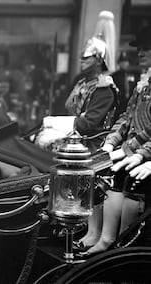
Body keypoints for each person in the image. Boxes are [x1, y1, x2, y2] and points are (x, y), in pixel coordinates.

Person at [78, 24, 151, 256]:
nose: (140, 53)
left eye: (146, 49)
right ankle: (100, 236)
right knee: (100, 174)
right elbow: (126, 117)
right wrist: (111, 141)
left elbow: (149, 129)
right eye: (139, 49)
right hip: (134, 151)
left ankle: (122, 244)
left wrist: (134, 151)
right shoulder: (144, 83)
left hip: (144, 153)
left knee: (131, 182)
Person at [38, 10, 118, 152]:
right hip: (74, 135)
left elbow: (87, 124)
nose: (81, 61)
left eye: (86, 58)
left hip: (91, 143)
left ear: (98, 61)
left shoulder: (103, 88)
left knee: (46, 142)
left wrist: (55, 122)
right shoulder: (82, 82)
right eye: (82, 57)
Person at [111, 51, 137, 120]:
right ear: (119, 63)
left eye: (126, 61)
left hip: (130, 104)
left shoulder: (133, 75)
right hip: (118, 105)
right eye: (122, 62)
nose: (124, 64)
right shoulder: (114, 76)